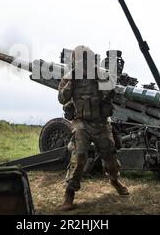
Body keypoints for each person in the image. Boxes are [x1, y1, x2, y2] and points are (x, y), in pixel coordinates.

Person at [58, 45, 129, 211]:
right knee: (80, 156)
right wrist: (71, 83)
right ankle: (69, 193)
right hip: (81, 122)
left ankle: (114, 179)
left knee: (109, 156)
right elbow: (62, 98)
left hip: (100, 122)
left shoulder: (101, 74)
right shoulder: (69, 77)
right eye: (80, 60)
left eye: (86, 59)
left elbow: (112, 91)